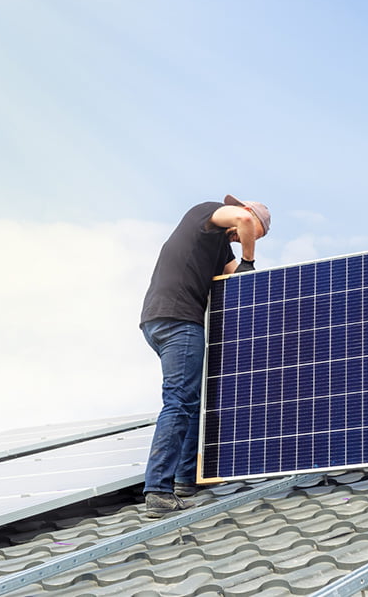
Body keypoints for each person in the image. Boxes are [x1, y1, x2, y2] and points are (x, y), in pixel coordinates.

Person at [139, 194, 271, 517]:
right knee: (179, 402)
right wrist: (249, 260)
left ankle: (185, 479)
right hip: (179, 321)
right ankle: (158, 490)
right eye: (248, 236)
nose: (242, 239)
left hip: (159, 321)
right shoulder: (209, 212)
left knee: (192, 401)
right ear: (245, 213)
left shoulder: (218, 247)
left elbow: (237, 281)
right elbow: (244, 223)